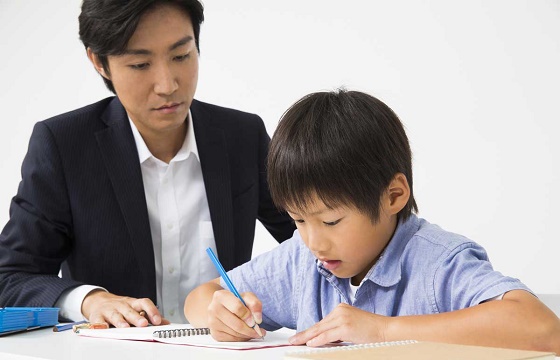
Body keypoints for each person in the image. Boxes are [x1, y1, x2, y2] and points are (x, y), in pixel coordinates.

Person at [184, 89, 560, 352]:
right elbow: (199, 297)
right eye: (299, 220)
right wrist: (223, 313)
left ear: (394, 195)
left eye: (331, 221)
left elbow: (544, 329)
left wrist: (381, 330)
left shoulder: (437, 263)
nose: (314, 241)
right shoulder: (303, 260)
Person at [0, 0, 295, 326]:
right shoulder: (64, 146)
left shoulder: (242, 137)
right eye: (140, 64)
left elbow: (319, 240)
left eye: (181, 56)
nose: (167, 85)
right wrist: (90, 300)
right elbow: (10, 277)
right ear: (99, 62)